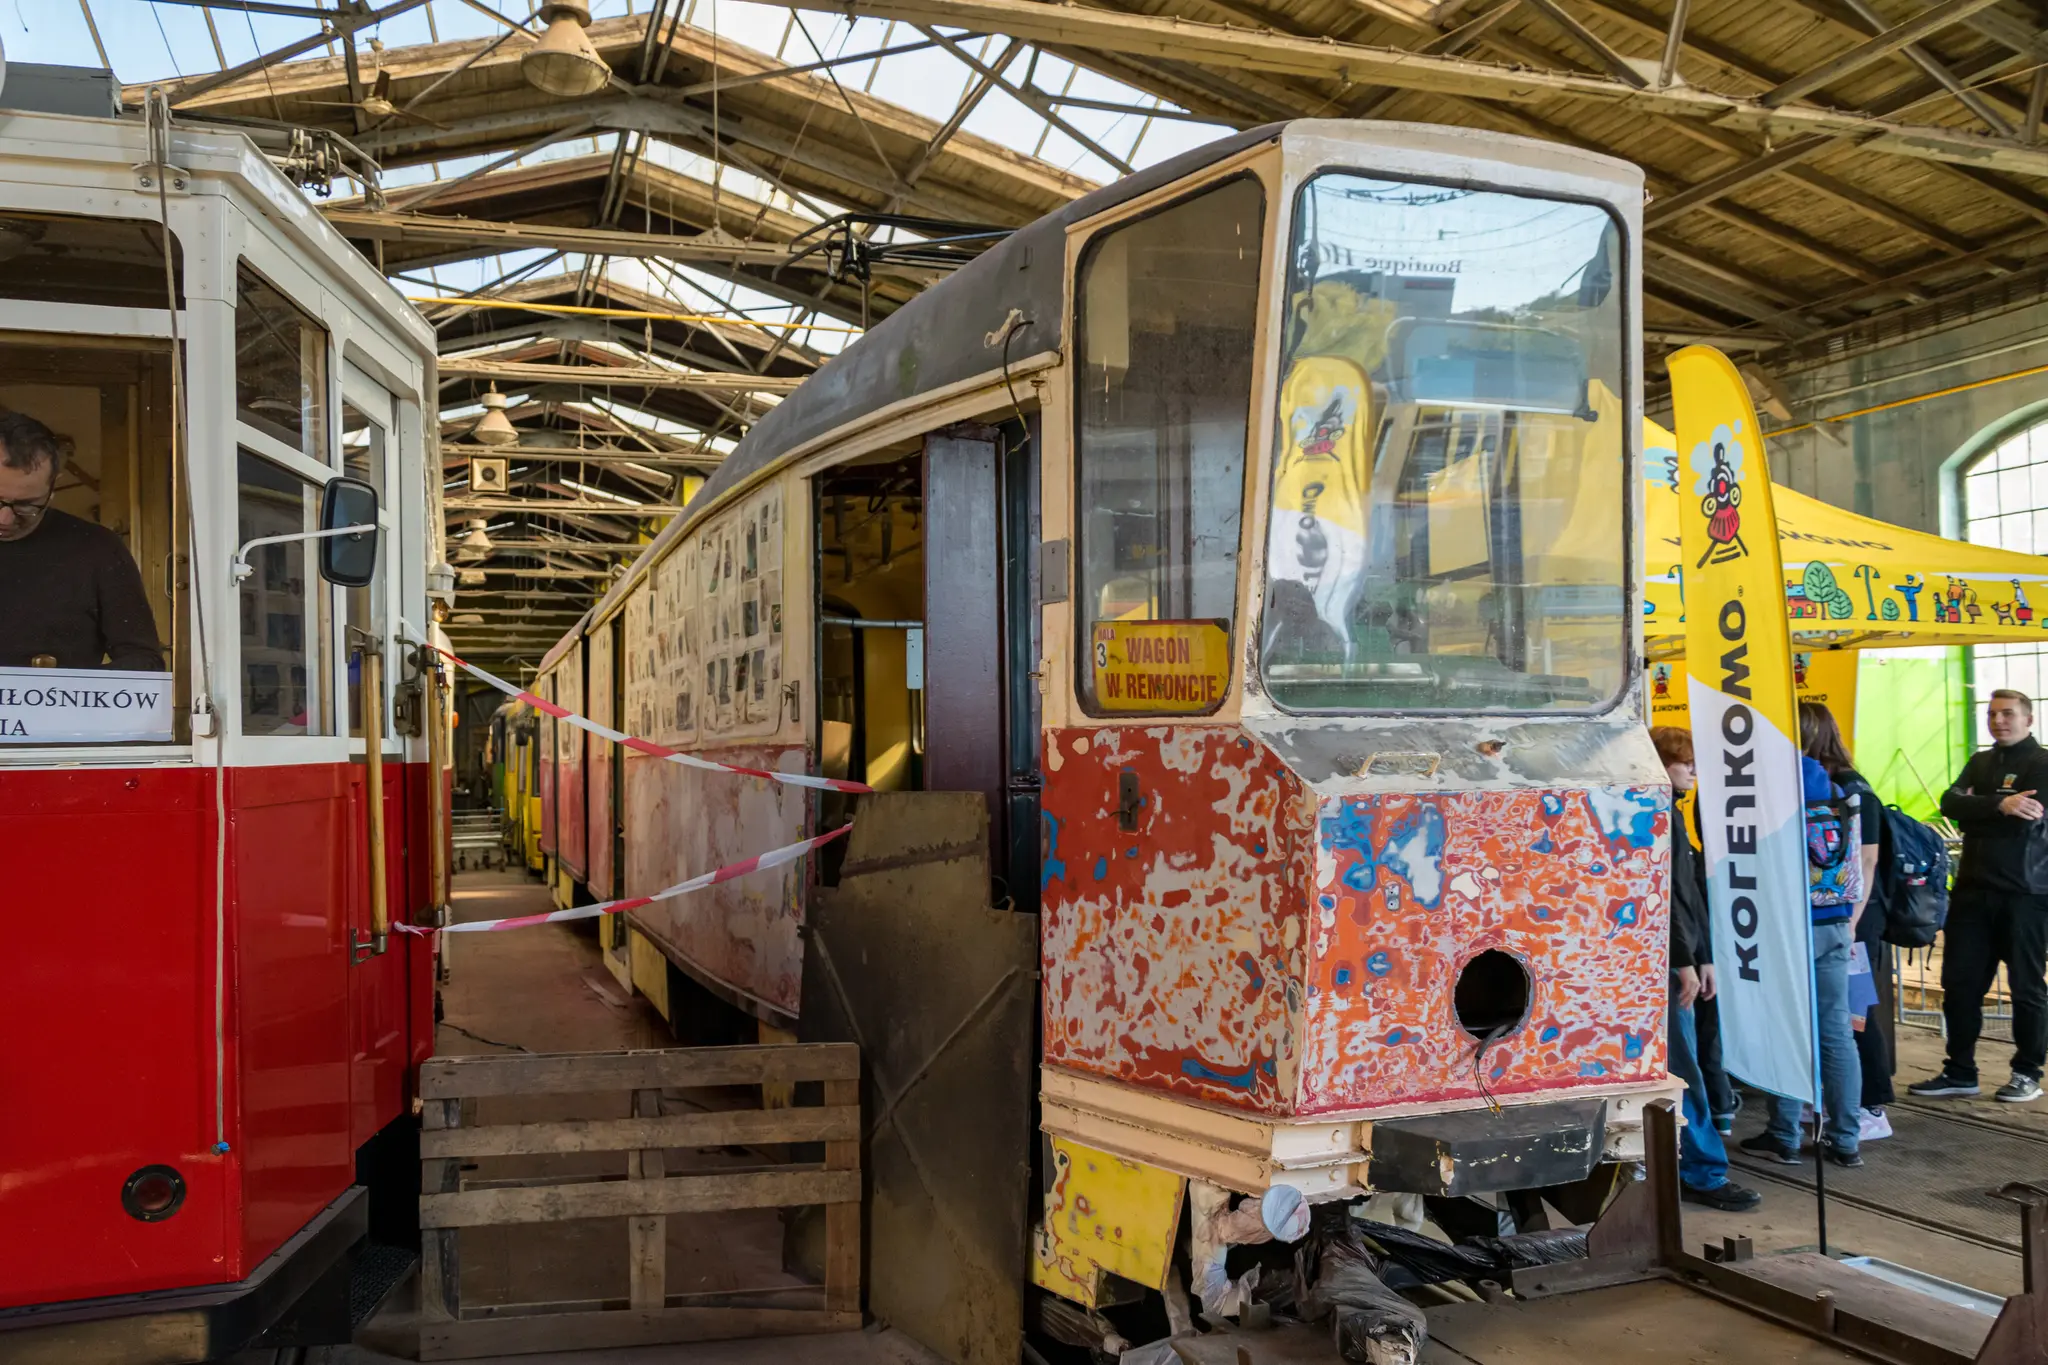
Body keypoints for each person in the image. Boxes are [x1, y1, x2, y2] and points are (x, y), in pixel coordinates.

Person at [1738, 702, 1871, 1169]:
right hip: (1834, 916)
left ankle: (1784, 1133)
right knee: (1836, 1031)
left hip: (1783, 924)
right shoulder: (1843, 786)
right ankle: (1846, 1140)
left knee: (1783, 1029)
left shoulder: (1772, 779)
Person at [1909, 689, 2048, 1104]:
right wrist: (2001, 806)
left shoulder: (2042, 764)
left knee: (2025, 987)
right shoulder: (1979, 761)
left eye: (2008, 714)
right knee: (1961, 984)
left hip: (2026, 893)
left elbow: (2030, 818)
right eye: (1992, 714)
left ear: (2028, 719)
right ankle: (1960, 1070)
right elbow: (1950, 802)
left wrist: (1981, 809)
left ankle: (2027, 1072)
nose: (1998, 720)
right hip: (1971, 892)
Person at [1652, 725, 1762, 1211]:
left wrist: (1703, 957)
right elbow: (1667, 898)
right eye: (1686, 761)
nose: (1694, 771)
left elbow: (1688, 895)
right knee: (1685, 1069)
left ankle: (1692, 1165)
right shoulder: (1659, 816)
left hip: (1682, 960)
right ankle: (1702, 1170)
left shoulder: (1673, 815)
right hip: (1668, 965)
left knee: (1685, 1066)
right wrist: (1685, 961)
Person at [0, 411, 162, 670]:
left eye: (26, 505)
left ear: (53, 489)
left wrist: (74, 691)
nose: (5, 519)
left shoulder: (97, 549)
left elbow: (145, 661)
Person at [1800, 702, 1894, 1140]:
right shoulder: (1834, 785)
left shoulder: (1852, 789)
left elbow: (1868, 860)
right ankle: (1842, 1108)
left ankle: (1870, 1105)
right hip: (1845, 915)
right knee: (1841, 1019)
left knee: (1854, 1017)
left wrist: (1853, 921)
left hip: (1852, 916)